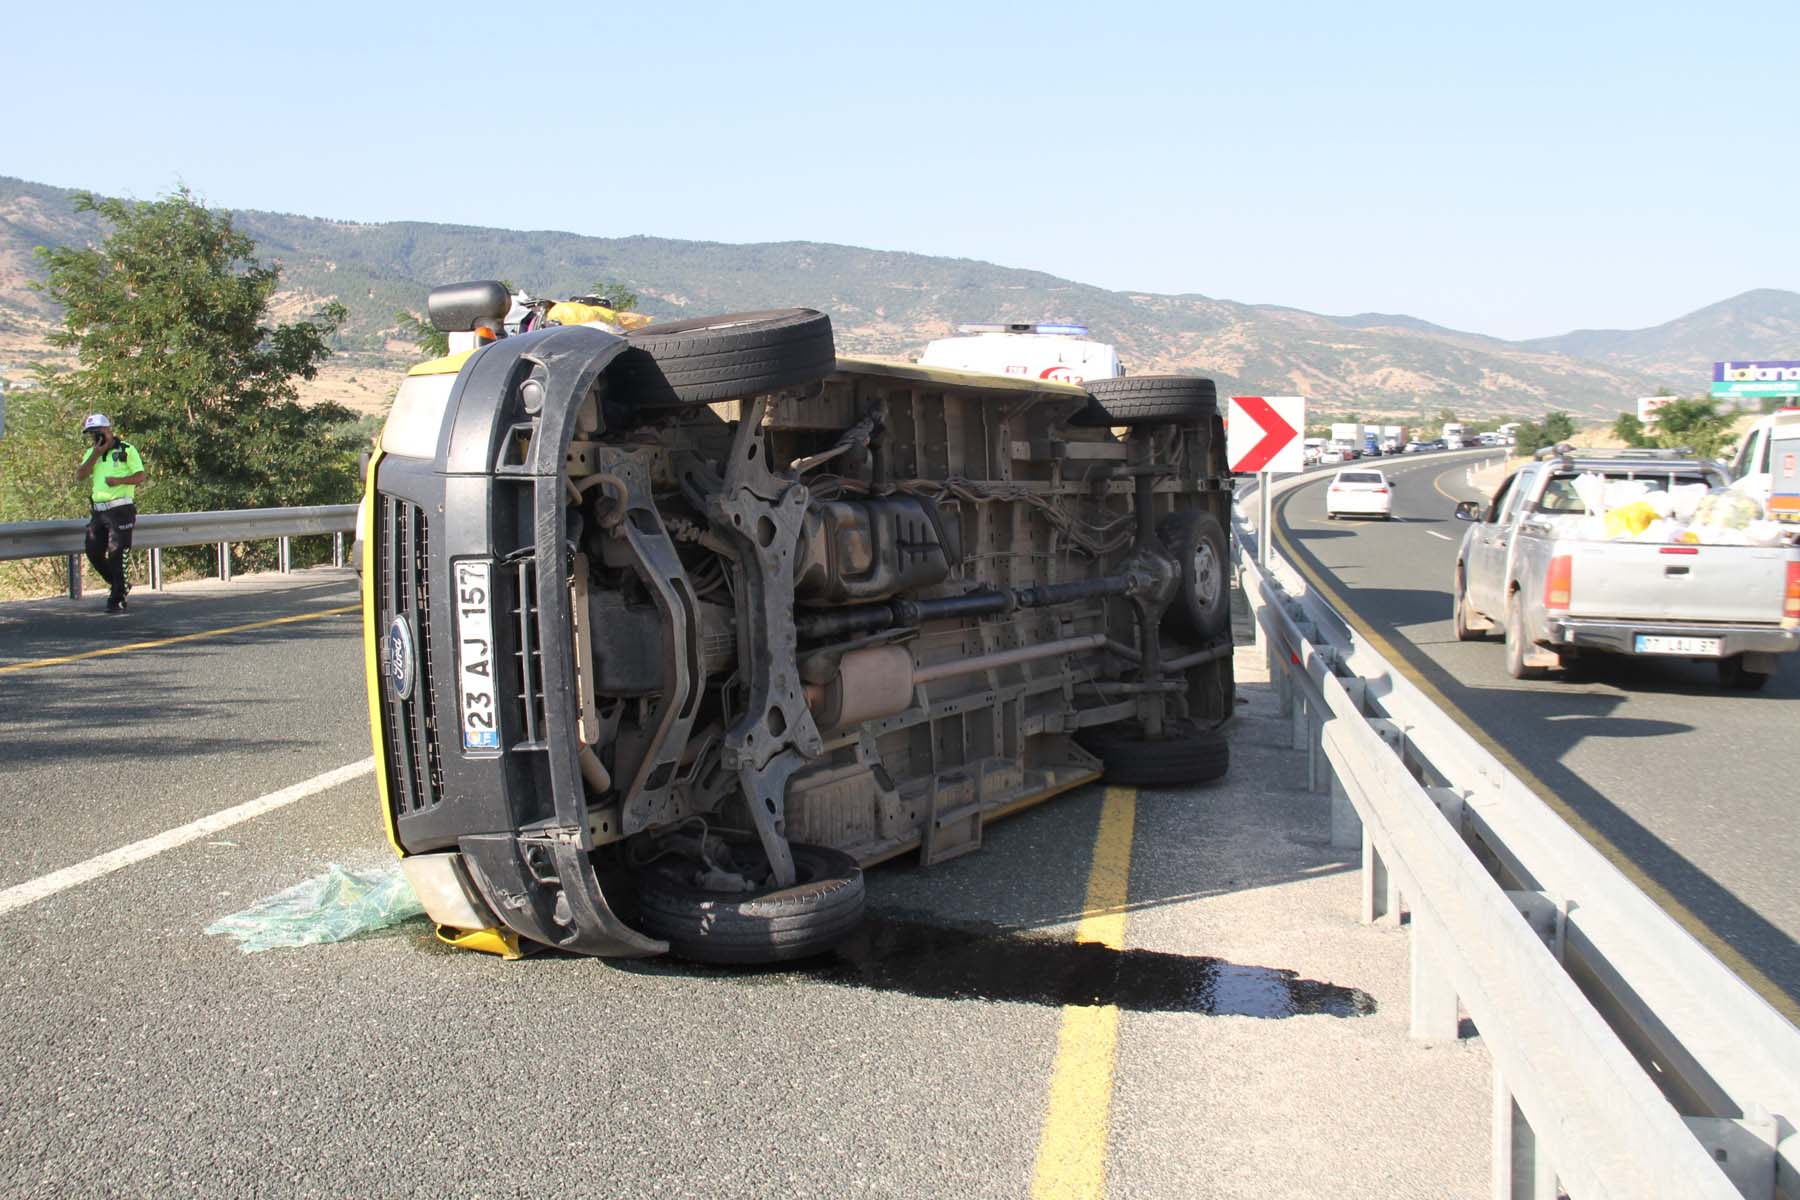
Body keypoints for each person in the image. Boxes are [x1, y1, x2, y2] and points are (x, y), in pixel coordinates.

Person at [73, 413, 147, 613]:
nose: (95, 437)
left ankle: (117, 598)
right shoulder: (92, 453)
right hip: (99, 511)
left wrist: (120, 481)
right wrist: (96, 454)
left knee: (117, 552)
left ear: (108, 430)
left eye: (98, 432)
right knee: (93, 551)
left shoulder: (126, 450)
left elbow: (140, 476)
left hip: (120, 509)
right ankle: (119, 584)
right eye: (91, 434)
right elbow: (80, 476)